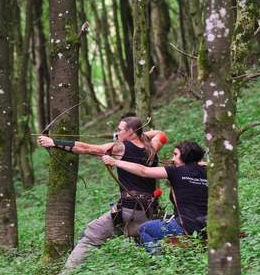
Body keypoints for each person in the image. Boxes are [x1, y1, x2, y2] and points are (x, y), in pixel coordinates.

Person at [37, 116, 168, 271]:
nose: (117, 132)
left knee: (90, 236)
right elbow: (161, 134)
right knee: (147, 247)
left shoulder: (121, 148)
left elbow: (86, 148)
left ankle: (67, 272)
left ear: (131, 132)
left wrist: (54, 143)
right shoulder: (152, 147)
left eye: (120, 130)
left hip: (129, 210)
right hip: (148, 211)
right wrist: (141, 135)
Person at [102, 140, 208, 254]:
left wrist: (115, 162)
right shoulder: (207, 172)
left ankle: (159, 260)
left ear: (185, 156)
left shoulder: (175, 171)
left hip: (185, 226)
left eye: (175, 154)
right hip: (206, 226)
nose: (172, 159)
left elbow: (144, 171)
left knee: (145, 229)